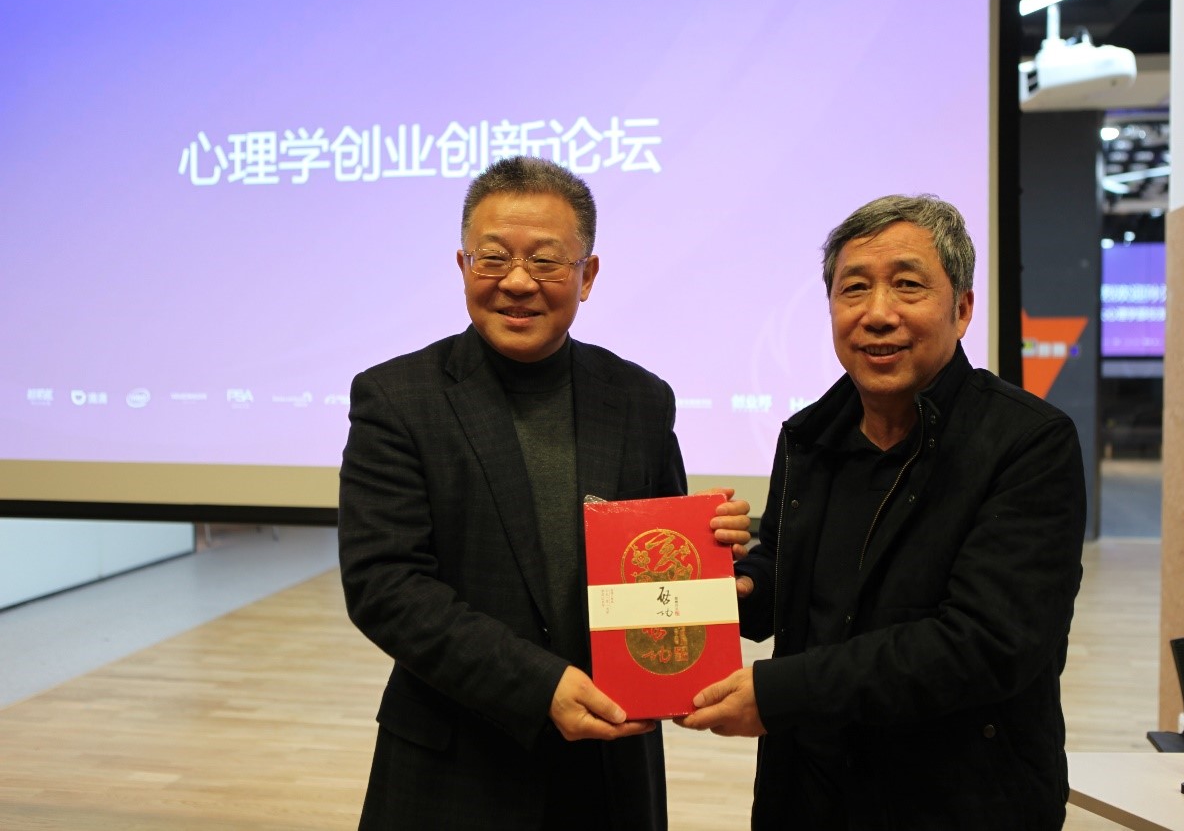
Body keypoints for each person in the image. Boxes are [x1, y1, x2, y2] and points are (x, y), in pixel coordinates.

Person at [338, 155, 751, 831]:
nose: (517, 282)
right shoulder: (397, 398)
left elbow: (656, 578)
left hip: (609, 764)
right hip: (455, 767)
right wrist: (539, 687)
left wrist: (708, 554)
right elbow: (385, 587)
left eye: (546, 261)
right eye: (493, 258)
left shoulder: (639, 399)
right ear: (463, 266)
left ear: (587, 276)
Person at [676, 194, 1086, 830]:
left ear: (963, 309)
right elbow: (789, 568)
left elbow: (987, 643)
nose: (877, 314)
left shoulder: (1028, 443)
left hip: (960, 800)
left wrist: (783, 693)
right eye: (854, 288)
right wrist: (737, 585)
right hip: (809, 793)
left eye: (908, 285)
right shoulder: (810, 436)